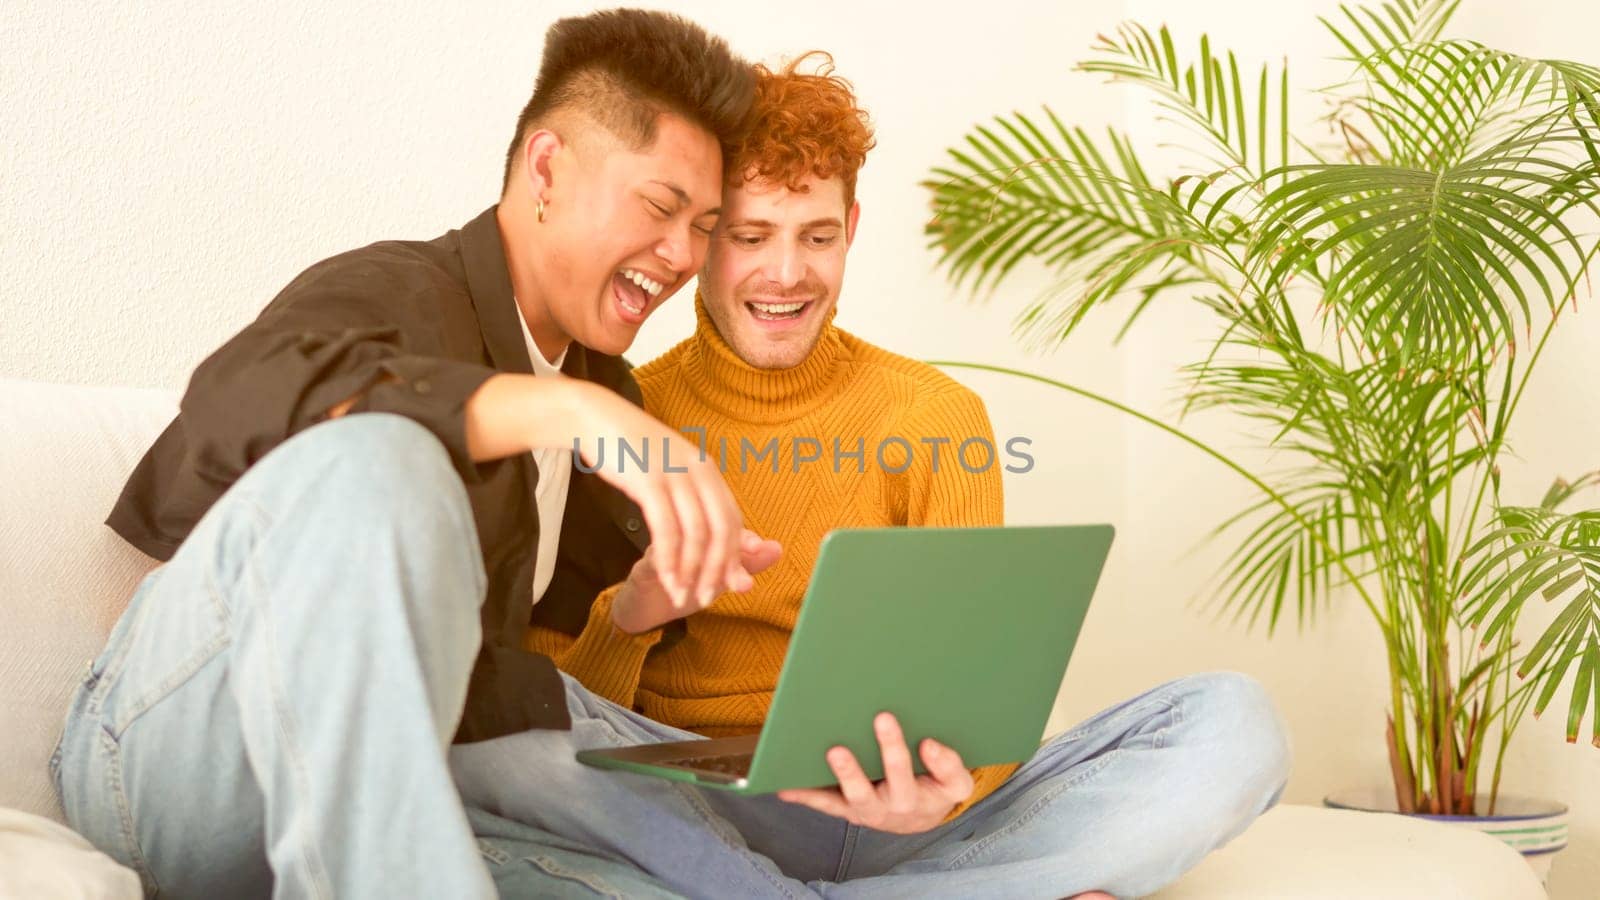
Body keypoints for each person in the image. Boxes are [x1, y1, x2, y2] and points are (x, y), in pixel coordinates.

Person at [454, 53, 1294, 899]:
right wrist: (630, 619)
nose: (787, 274)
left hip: (904, 814)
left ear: (851, 228)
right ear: (702, 239)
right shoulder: (619, 413)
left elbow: (983, 696)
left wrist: (944, 787)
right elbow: (563, 711)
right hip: (695, 810)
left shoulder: (935, 416)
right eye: (750, 237)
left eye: (816, 237)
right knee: (486, 730)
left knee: (1234, 723)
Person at [51, 9, 759, 898]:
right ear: (546, 167)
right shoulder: (401, 290)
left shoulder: (604, 389)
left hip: (380, 793)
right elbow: (231, 396)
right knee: (387, 457)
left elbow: (523, 706)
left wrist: (637, 612)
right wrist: (561, 409)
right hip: (172, 761)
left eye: (704, 225)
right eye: (661, 207)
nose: (682, 254)